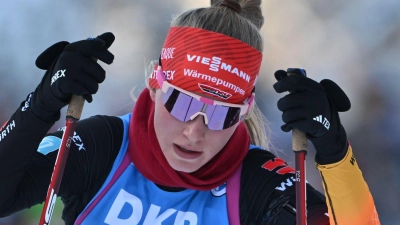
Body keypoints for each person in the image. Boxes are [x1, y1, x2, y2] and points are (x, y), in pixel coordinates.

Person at [0, 0, 380, 224]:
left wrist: (334, 152)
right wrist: (42, 103)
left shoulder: (257, 184)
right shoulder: (103, 146)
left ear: (244, 112)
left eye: (221, 115)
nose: (194, 132)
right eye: (182, 103)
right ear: (155, 84)